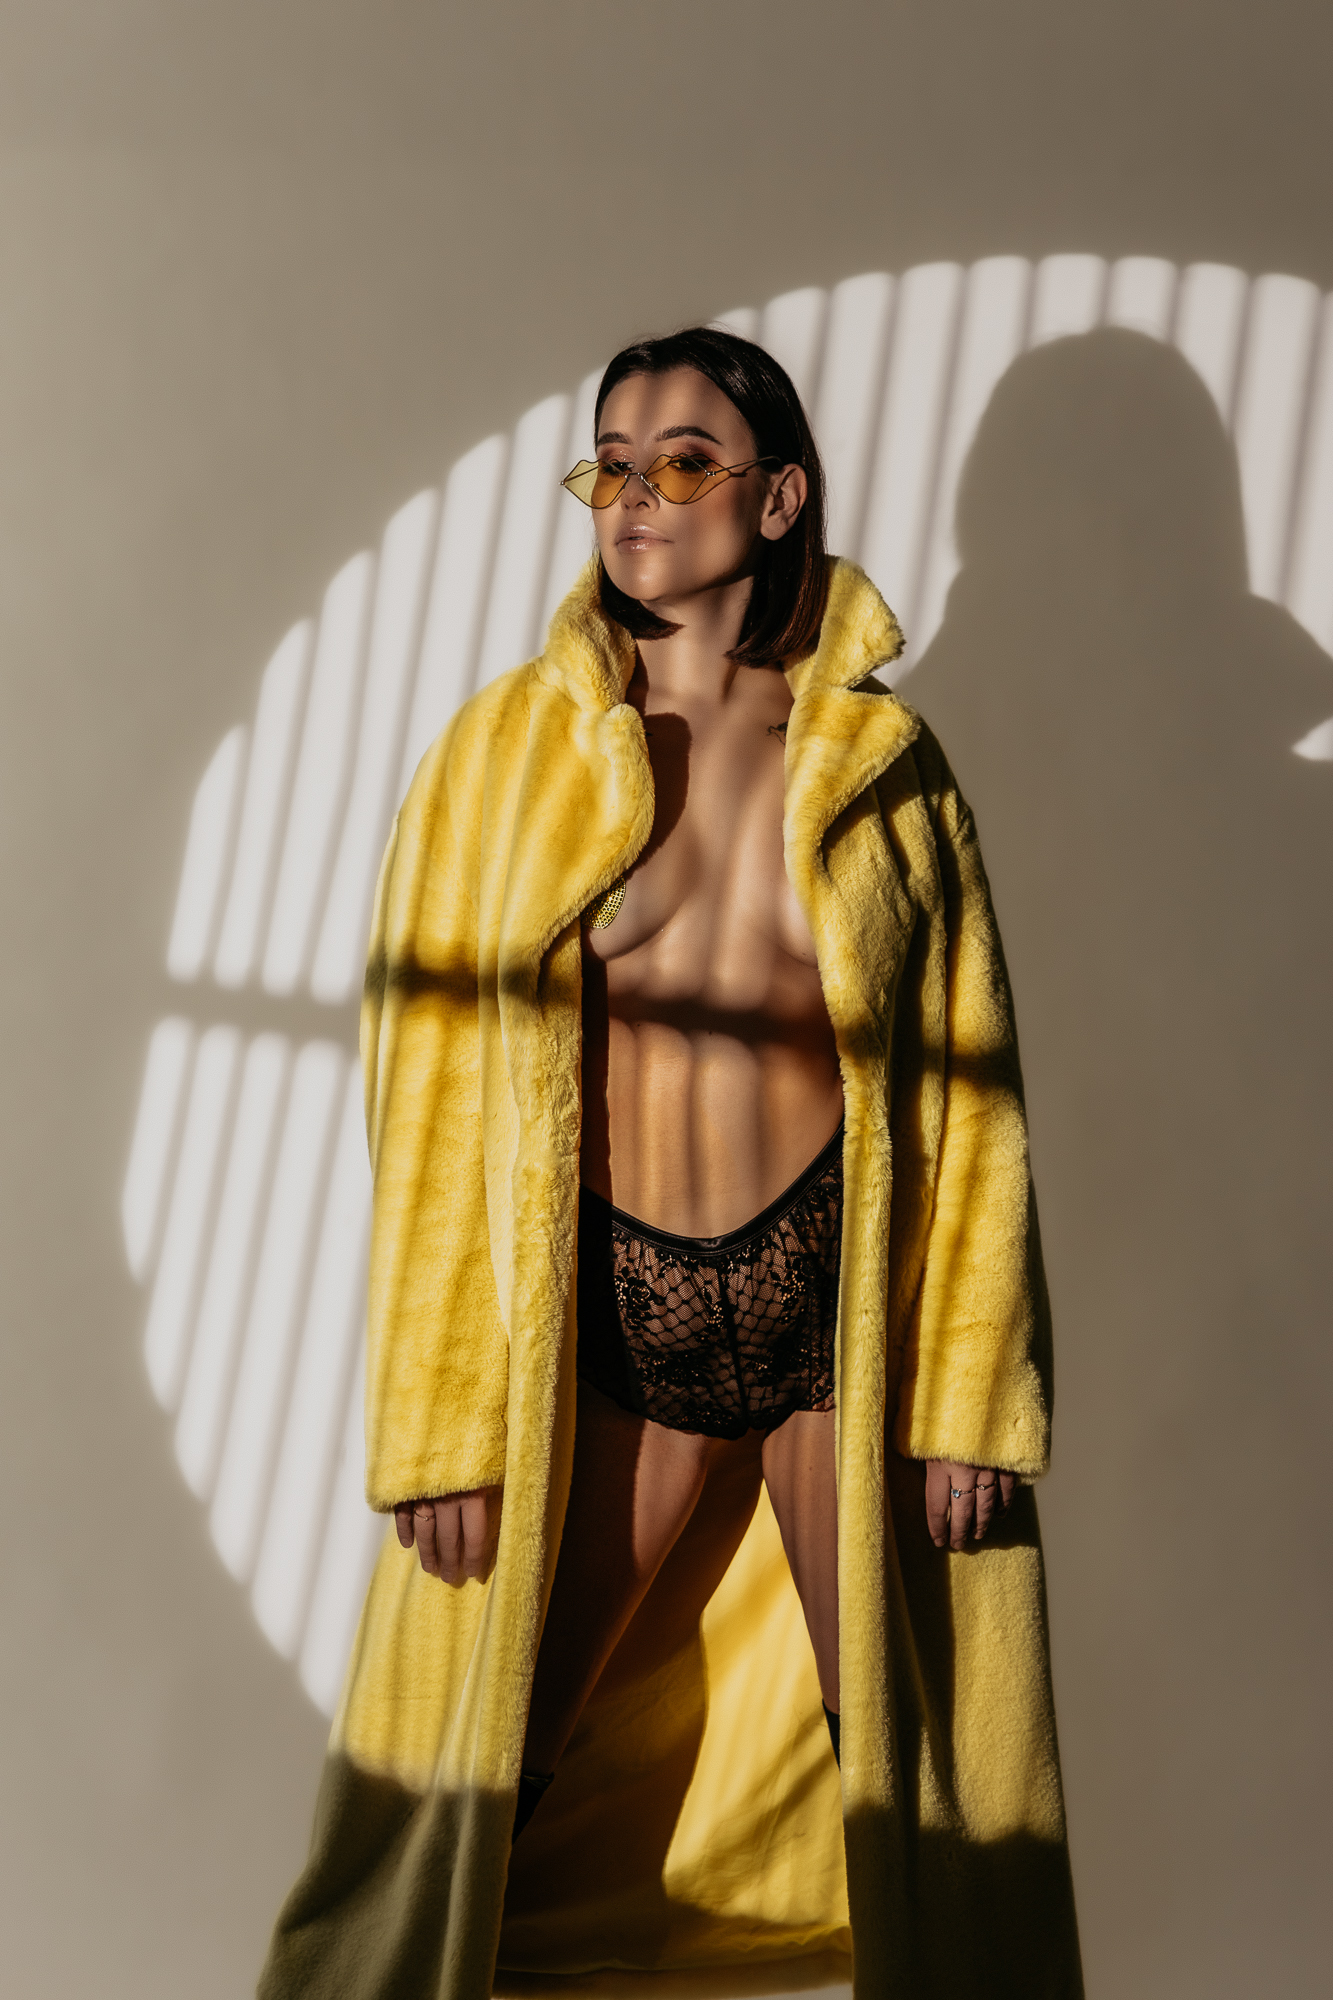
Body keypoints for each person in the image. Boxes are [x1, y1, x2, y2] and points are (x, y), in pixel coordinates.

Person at [260, 329, 1082, 1999]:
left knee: (924, 1786)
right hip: (615, 1320)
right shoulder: (502, 759)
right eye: (611, 465)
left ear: (777, 499)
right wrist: (435, 1429)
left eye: (684, 462)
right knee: (473, 1773)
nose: (635, 498)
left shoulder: (883, 766)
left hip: (832, 1316)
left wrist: (975, 1398)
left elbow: (970, 1095)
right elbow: (425, 1099)